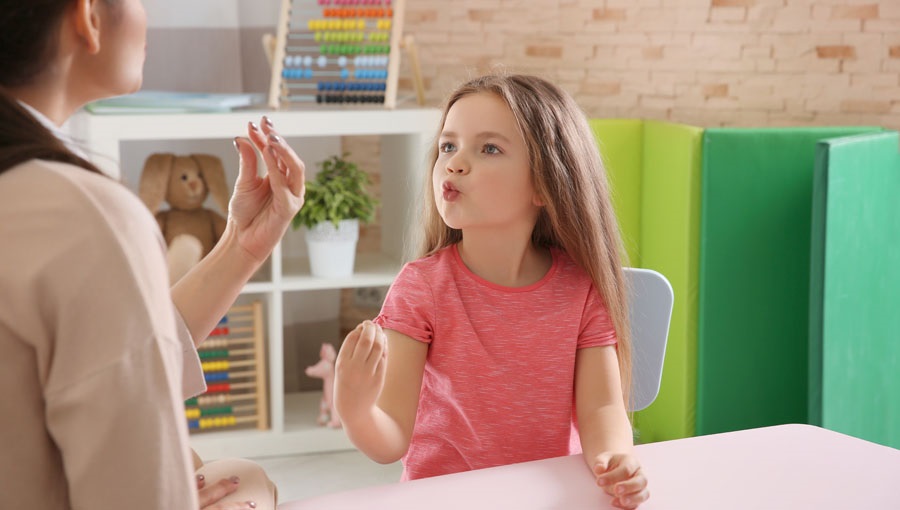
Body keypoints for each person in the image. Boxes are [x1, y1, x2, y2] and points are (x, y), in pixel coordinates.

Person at [0, 0, 305, 509]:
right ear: (88, 17)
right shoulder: (85, 214)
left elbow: (113, 343)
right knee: (245, 482)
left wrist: (242, 244)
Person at [333, 74, 649, 509]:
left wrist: (615, 459)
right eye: (448, 146)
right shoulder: (421, 288)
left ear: (545, 184)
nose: (454, 163)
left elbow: (602, 410)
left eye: (489, 149)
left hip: (546, 498)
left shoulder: (581, 290)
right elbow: (391, 440)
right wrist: (357, 411)